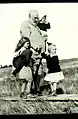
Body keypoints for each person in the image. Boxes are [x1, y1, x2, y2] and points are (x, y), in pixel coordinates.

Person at [15, 10, 46, 95]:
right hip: (32, 54)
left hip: (39, 54)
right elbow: (26, 38)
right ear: (30, 17)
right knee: (32, 73)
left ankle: (37, 90)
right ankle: (30, 91)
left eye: (37, 17)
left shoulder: (36, 27)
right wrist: (34, 46)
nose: (37, 19)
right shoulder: (26, 24)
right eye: (34, 18)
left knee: (39, 72)